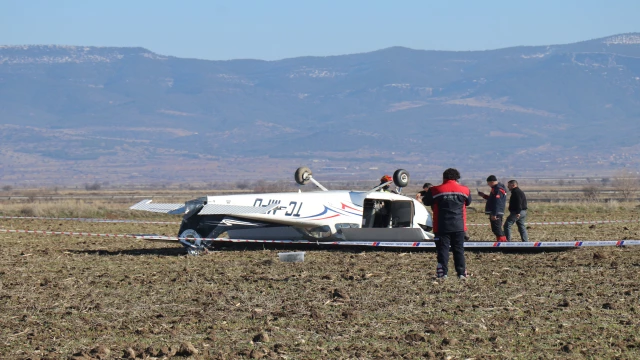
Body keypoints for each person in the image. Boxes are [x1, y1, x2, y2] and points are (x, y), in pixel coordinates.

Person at [422, 168, 471, 279]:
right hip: (459, 226)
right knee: (459, 250)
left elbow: (426, 201)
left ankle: (442, 273)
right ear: (457, 178)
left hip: (441, 226)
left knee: (442, 250)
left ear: (444, 178)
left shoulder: (435, 190)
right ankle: (462, 273)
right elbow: (468, 202)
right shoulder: (465, 190)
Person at [477, 175, 507, 242]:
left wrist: (494, 214)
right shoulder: (496, 189)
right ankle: (501, 241)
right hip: (496, 211)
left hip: (496, 212)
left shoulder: (498, 189)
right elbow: (492, 199)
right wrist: (483, 195)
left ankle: (503, 242)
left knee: (497, 228)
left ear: (492, 182)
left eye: (488, 183)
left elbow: (497, 202)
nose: (488, 185)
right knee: (495, 228)